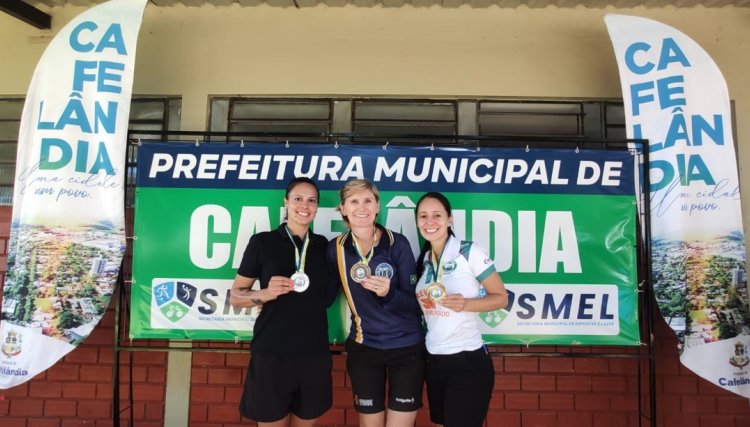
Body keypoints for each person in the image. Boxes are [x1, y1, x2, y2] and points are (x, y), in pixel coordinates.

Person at [229, 177, 332, 427]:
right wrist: (264, 293)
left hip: (313, 354)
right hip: (272, 354)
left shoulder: (325, 247)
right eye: (297, 199)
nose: (304, 206)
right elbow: (235, 296)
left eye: (311, 200)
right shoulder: (262, 242)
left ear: (317, 207)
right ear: (286, 202)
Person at [326, 178, 425, 427]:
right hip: (364, 348)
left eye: (368, 200)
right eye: (354, 201)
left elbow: (417, 303)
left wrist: (389, 293)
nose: (362, 207)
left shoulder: (397, 243)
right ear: (343, 209)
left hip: (406, 347)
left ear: (378, 206)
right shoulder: (334, 249)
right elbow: (324, 296)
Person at [414, 192, 509, 427]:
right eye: (423, 216)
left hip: (467, 360)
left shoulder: (469, 251)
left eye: (437, 215)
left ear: (449, 219)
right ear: (417, 221)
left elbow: (501, 298)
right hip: (434, 360)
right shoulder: (424, 259)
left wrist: (466, 304)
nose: (430, 221)